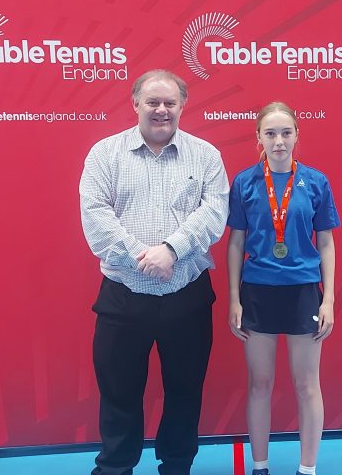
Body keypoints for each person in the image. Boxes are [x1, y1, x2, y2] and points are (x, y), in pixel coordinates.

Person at [79, 69, 229, 475]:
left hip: (187, 296)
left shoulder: (206, 156)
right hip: (123, 295)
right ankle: (115, 468)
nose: (161, 110)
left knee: (185, 392)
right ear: (135, 104)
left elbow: (214, 213)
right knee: (118, 394)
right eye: (152, 102)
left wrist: (172, 250)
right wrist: (143, 257)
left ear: (182, 106)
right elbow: (95, 215)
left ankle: (177, 467)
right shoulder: (105, 154)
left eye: (169, 102)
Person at [226, 102, 340, 475]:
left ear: (296, 136)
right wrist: (234, 299)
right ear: (258, 137)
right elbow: (236, 243)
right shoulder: (244, 182)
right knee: (260, 384)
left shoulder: (316, 181)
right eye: (270, 133)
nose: (278, 141)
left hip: (303, 291)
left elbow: (326, 243)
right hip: (258, 291)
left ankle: (307, 469)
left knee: (307, 384)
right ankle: (260, 466)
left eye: (286, 133)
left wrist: (329, 299)